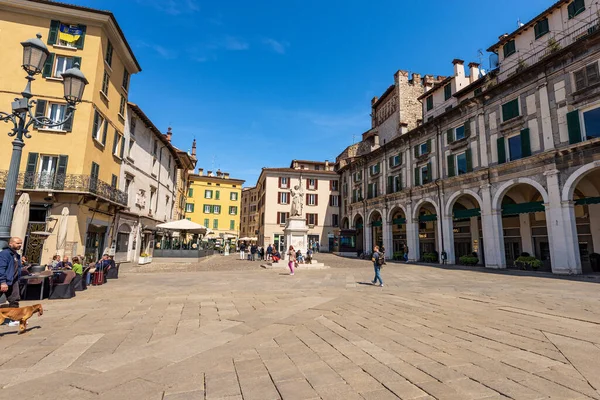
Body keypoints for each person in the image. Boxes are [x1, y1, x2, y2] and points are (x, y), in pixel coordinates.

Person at [0, 237, 23, 311]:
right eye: (17, 243)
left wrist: (17, 280)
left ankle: (14, 319)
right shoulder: (5, 253)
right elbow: (1, 267)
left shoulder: (16, 255)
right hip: (3, 281)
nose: (19, 245)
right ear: (10, 243)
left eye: (20, 243)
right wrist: (3, 282)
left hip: (13, 281)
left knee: (15, 300)